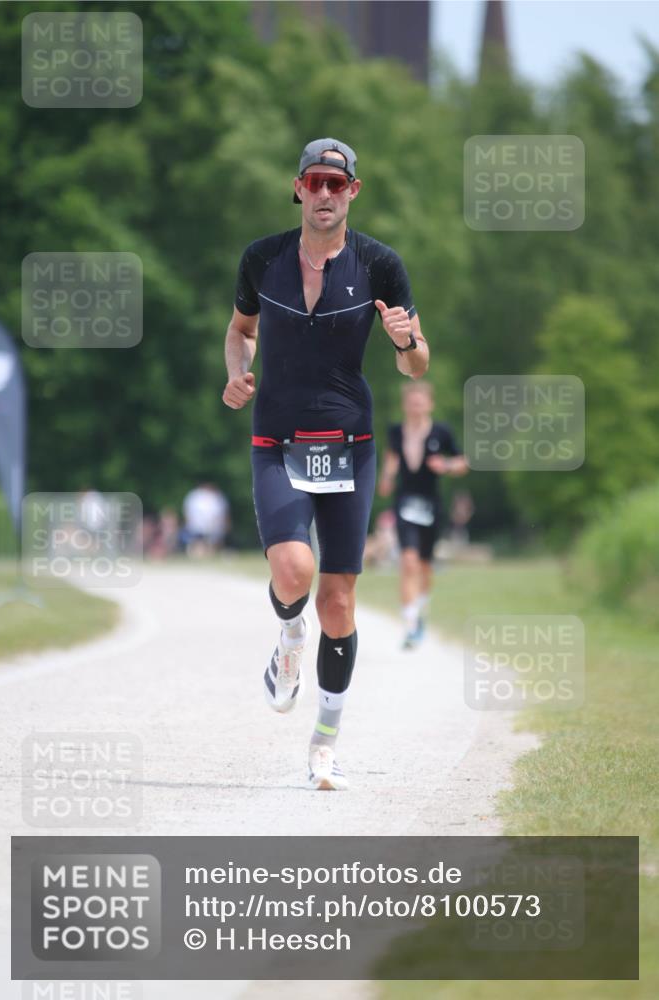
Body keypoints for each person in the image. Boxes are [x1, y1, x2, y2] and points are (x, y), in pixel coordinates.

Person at [222, 138, 428, 789]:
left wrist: (406, 343)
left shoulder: (380, 265)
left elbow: (417, 362)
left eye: (336, 184)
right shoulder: (263, 259)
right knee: (293, 570)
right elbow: (240, 330)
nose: (325, 193)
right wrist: (237, 374)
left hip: (349, 445)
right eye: (315, 181)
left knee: (338, 602)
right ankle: (289, 639)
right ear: (298, 188)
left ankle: (324, 744)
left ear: (352, 192)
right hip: (277, 439)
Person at [378, 381, 468, 649]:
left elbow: (463, 462)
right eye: (411, 402)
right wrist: (386, 477)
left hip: (431, 505)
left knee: (425, 565)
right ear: (405, 405)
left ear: (430, 404)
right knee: (408, 561)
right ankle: (410, 625)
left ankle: (420, 610)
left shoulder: (442, 431)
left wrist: (447, 465)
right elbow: (391, 458)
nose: (415, 407)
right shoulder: (396, 431)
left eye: (420, 402)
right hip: (405, 502)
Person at [181, 482, 230, 556]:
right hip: (196, 528)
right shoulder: (194, 496)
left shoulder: (218, 497)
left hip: (214, 529)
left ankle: (208, 549)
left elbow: (223, 515)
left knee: (214, 540)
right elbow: (188, 514)